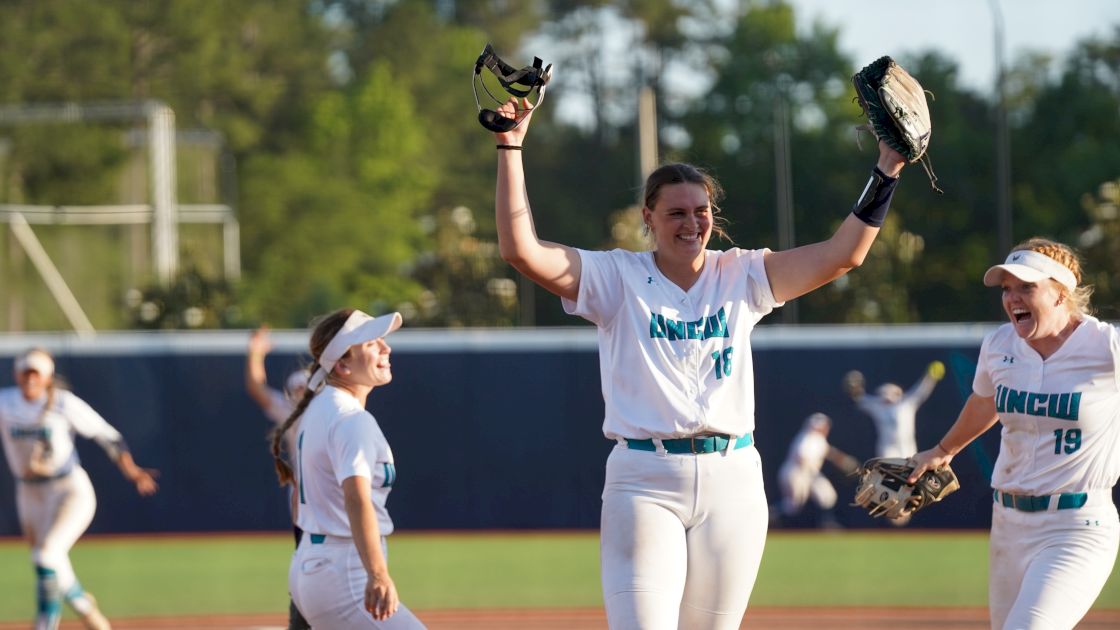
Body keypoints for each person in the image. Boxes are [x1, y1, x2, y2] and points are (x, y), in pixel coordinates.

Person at [491, 95, 907, 628]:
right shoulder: (614, 278)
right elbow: (519, 250)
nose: (692, 223)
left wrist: (887, 169)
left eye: (701, 211)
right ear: (648, 218)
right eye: (676, 213)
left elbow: (843, 254)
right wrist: (511, 144)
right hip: (644, 477)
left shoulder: (743, 275)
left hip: (732, 478)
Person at [908, 238, 1120, 630]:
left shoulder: (1106, 347)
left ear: (1061, 292)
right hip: (1008, 524)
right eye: (1007, 288)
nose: (1012, 297)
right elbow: (985, 402)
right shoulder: (1000, 345)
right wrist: (942, 450)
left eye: (1027, 286)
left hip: (1076, 527)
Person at [271, 308, 425, 629]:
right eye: (372, 343)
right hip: (343, 572)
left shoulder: (321, 407)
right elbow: (356, 499)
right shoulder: (351, 419)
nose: (386, 348)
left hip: (316, 565)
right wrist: (378, 575)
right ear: (342, 364)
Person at [0, 348, 159, 630]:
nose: (30, 379)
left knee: (46, 555)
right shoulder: (6, 402)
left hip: (68, 490)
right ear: (17, 374)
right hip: (29, 493)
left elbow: (108, 436)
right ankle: (87, 609)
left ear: (48, 377)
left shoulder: (62, 403)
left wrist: (132, 471)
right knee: (49, 562)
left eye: (35, 373)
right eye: (25, 373)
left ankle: (44, 625)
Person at [245, 325, 311, 630]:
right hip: (306, 493)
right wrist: (255, 353)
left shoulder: (329, 410)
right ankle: (303, 617)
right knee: (308, 555)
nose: (299, 395)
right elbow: (257, 388)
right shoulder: (291, 413)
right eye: (295, 391)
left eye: (304, 390)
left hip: (325, 493)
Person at [844, 360, 945, 459]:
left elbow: (921, 390)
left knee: (909, 473)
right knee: (888, 473)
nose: (887, 396)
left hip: (907, 446)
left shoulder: (907, 404)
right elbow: (860, 398)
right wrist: (854, 387)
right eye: (884, 393)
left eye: (890, 393)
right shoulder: (877, 406)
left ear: (898, 393)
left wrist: (930, 377)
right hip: (887, 448)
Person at [774, 413, 859, 529]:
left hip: (807, 474)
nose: (825, 428)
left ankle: (827, 523)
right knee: (792, 506)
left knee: (827, 495)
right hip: (796, 473)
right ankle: (772, 517)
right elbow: (801, 456)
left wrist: (845, 462)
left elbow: (831, 453)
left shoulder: (818, 439)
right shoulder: (808, 437)